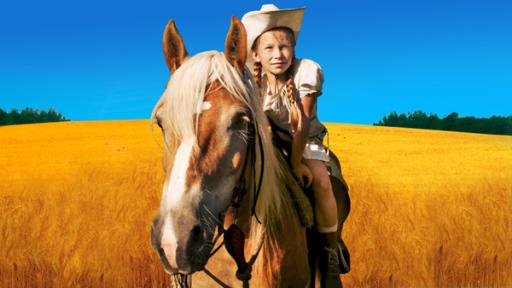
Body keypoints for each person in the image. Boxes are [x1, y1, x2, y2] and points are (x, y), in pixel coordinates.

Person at [242, 4, 343, 287]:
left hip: (304, 141)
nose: (278, 54)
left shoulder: (306, 71)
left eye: (284, 47)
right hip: (267, 142)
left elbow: (302, 124)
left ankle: (330, 253)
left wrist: (296, 163)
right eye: (270, 48)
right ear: (255, 53)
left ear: (294, 47)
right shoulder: (250, 78)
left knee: (322, 182)